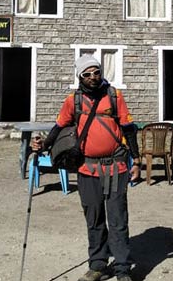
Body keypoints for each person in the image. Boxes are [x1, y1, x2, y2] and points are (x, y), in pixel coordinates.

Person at [32, 54, 141, 281]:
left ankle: (122, 270)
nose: (93, 77)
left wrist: (137, 161)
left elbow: (129, 129)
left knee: (118, 219)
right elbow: (59, 126)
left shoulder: (114, 96)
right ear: (80, 76)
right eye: (87, 74)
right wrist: (43, 145)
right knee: (94, 218)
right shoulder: (74, 100)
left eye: (96, 72)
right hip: (86, 169)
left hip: (116, 167)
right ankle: (98, 265)